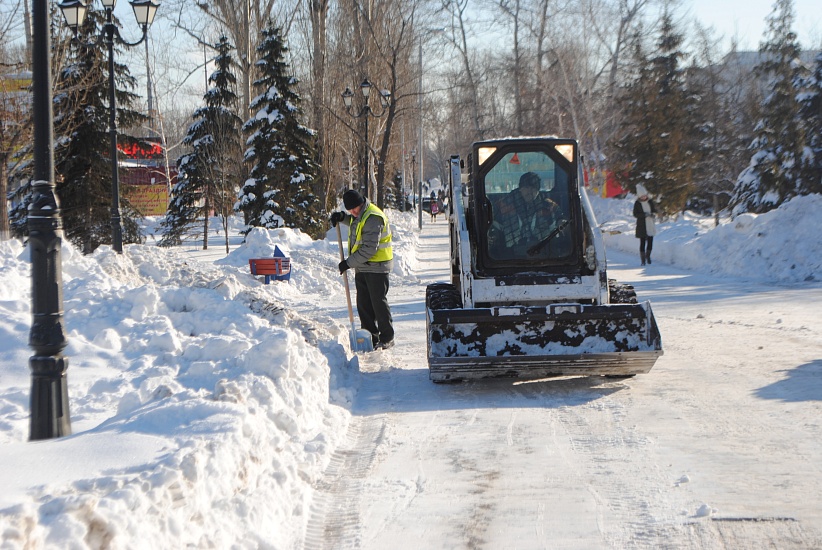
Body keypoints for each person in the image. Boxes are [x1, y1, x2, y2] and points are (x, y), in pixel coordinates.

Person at [329, 190, 395, 350]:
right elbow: (356, 221)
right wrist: (343, 218)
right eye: (349, 210)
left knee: (378, 303)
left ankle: (387, 337)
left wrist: (348, 263)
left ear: (361, 204)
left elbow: (369, 249)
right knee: (363, 304)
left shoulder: (373, 217)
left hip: (377, 267)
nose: (352, 212)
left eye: (354, 209)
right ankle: (370, 336)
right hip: (363, 267)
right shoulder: (361, 214)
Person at [488, 171, 559, 258]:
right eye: (526, 187)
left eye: (533, 188)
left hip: (542, 254)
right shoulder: (503, 205)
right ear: (520, 188)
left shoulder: (549, 206)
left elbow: (562, 222)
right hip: (508, 257)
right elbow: (490, 224)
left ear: (538, 190)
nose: (530, 191)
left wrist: (561, 222)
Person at [633, 183, 657, 266]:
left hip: (650, 224)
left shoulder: (650, 202)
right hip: (641, 226)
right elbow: (635, 214)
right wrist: (644, 215)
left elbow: (654, 210)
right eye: (642, 196)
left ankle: (648, 256)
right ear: (639, 197)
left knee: (650, 242)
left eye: (645, 196)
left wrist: (653, 214)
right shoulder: (637, 203)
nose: (644, 197)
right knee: (642, 243)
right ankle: (643, 260)